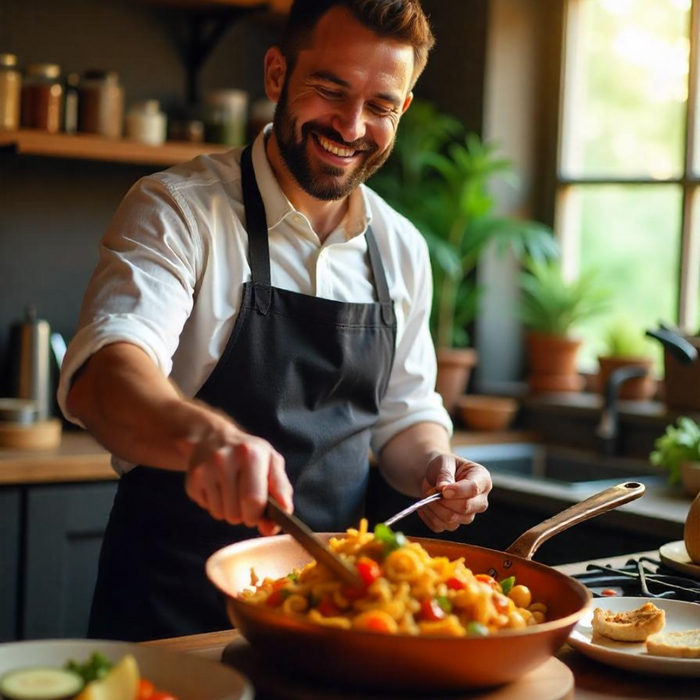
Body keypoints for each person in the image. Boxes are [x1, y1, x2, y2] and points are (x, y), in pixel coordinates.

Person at [58, 0, 492, 642]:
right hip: (174, 612)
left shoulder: (401, 247)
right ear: (275, 74)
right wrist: (205, 438)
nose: (351, 126)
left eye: (381, 106)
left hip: (331, 614)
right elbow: (107, 375)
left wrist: (436, 465)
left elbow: (404, 415)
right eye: (330, 90)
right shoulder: (178, 210)